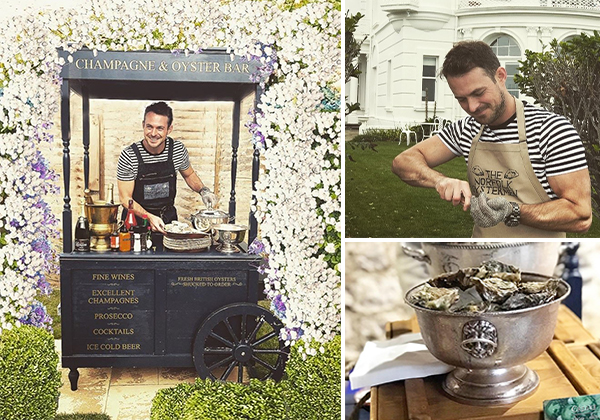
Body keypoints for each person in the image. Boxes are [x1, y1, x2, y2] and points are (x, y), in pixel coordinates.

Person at [392, 41, 592, 238]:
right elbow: (403, 162)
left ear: (501, 76)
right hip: (483, 255)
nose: (471, 107)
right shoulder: (466, 130)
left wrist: (512, 211)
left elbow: (580, 215)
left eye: (478, 93)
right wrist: (440, 181)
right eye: (461, 99)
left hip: (541, 258)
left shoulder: (551, 130)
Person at [117, 101, 217, 233]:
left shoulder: (177, 150)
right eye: (149, 127)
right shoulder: (129, 155)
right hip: (135, 224)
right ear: (143, 125)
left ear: (169, 129)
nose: (153, 133)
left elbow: (189, 175)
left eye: (159, 128)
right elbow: (125, 199)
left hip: (168, 222)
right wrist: (149, 217)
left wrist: (203, 191)